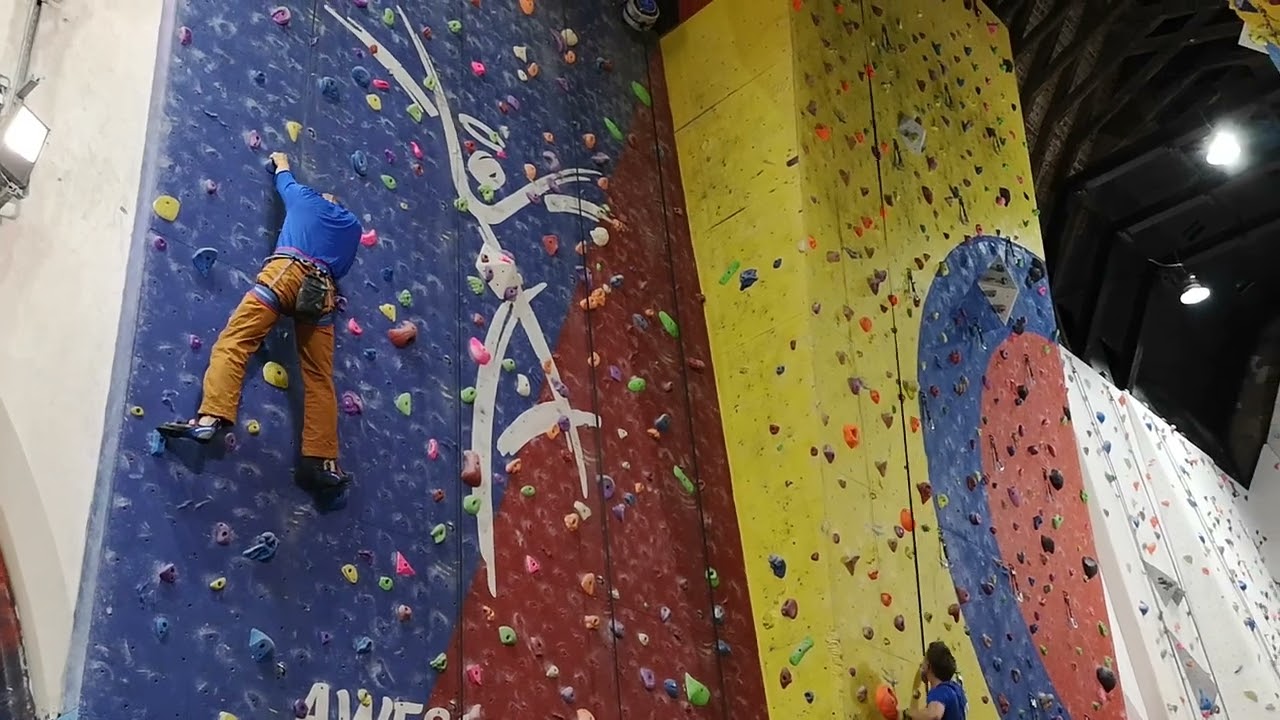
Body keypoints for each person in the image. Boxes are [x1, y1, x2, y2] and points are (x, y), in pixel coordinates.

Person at [158, 151, 361, 495]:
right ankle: (321, 462)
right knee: (318, 378)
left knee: (236, 341)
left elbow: (284, 179)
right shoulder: (352, 229)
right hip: (322, 291)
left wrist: (281, 161)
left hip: (286, 271)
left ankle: (210, 419)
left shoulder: (306, 200)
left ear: (323, 199)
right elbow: (340, 269)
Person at [906, 641, 968, 720]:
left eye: (924, 660)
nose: (922, 664)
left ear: (929, 666)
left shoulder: (940, 692)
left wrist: (908, 715)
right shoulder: (956, 689)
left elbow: (934, 715)